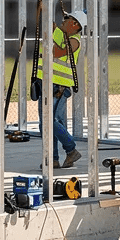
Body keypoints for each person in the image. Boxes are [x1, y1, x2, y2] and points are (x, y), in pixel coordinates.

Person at [32, 9, 87, 169]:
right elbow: (50, 31)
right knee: (47, 123)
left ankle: (71, 149)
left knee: (50, 122)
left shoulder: (75, 40)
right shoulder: (61, 34)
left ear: (75, 24)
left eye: (67, 18)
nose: (63, 20)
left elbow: (56, 52)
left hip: (58, 87)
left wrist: (53, 32)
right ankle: (53, 159)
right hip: (46, 83)